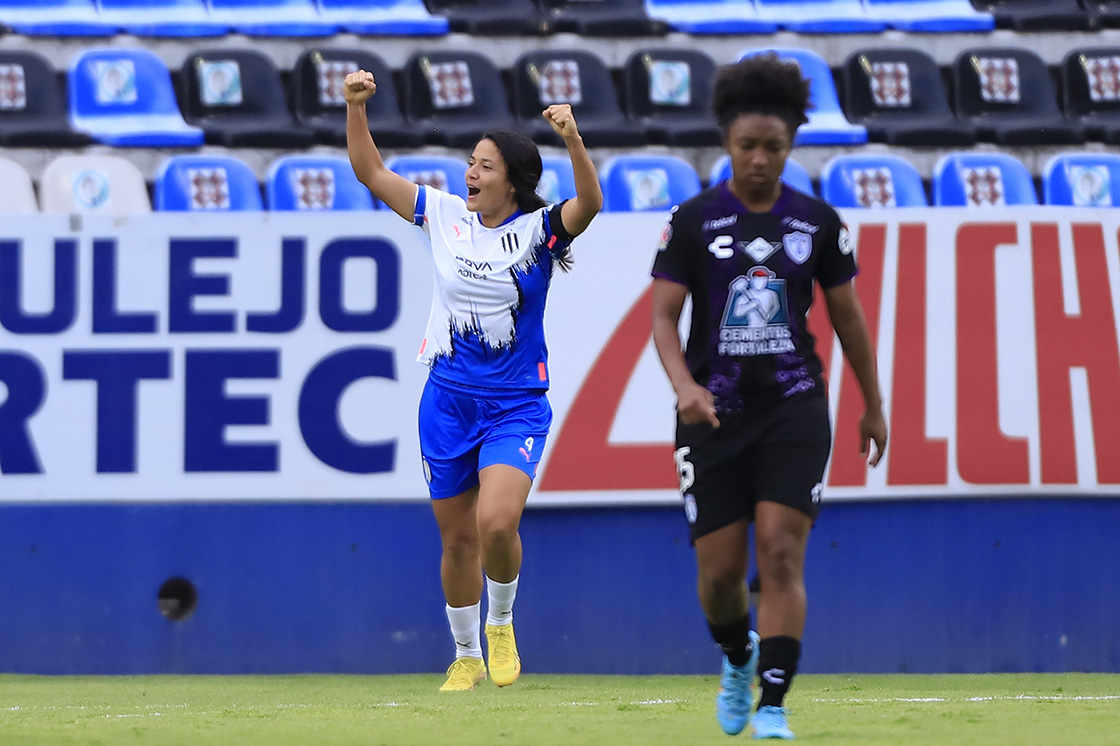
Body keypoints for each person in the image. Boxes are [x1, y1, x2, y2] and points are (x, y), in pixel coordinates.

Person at [650, 53, 887, 739]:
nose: (759, 159)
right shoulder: (694, 221)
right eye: (747, 146)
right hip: (713, 415)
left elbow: (849, 321)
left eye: (774, 148)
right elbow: (663, 318)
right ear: (726, 141)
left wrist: (874, 403)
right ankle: (737, 656)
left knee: (782, 552)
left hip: (794, 408)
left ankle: (775, 705)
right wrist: (686, 386)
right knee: (720, 574)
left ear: (792, 145)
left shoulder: (817, 223)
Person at [344, 70, 602, 692]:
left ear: (511, 179)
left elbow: (589, 205)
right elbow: (371, 174)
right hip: (447, 403)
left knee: (496, 525)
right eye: (470, 162)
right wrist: (356, 109)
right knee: (457, 540)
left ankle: (502, 624)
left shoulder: (537, 234)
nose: (471, 174)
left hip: (515, 406)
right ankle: (464, 654)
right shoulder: (444, 216)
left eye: (484, 166)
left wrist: (572, 139)